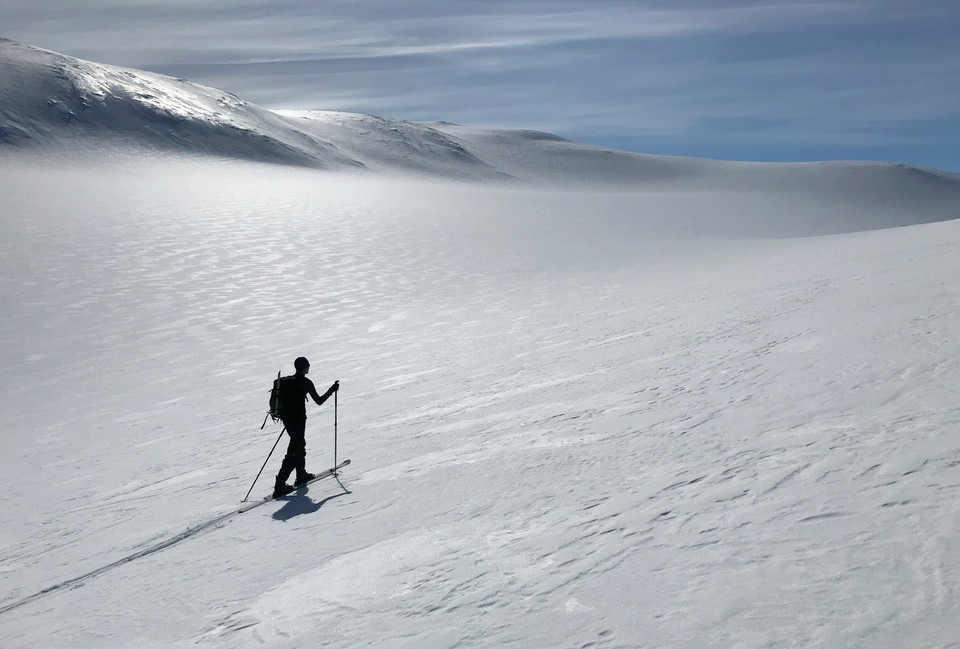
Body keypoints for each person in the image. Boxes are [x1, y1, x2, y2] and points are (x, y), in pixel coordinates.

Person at [273, 356, 339, 498]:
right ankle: (279, 485)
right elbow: (319, 401)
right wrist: (332, 390)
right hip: (298, 420)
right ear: (303, 367)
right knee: (293, 451)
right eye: (307, 365)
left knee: (299, 445)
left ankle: (301, 473)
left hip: (288, 420)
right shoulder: (306, 383)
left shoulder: (286, 381)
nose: (309, 367)